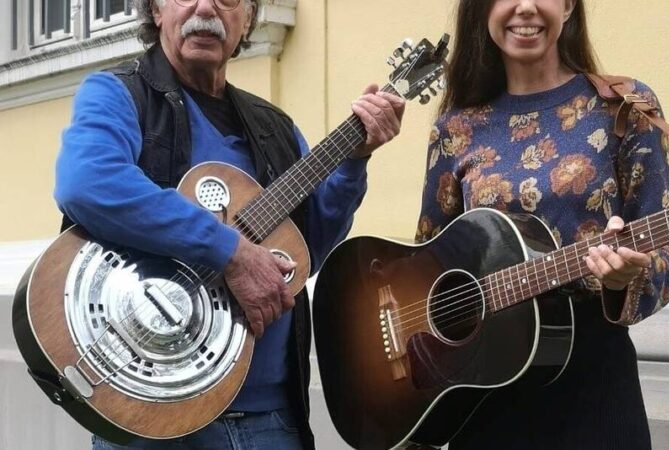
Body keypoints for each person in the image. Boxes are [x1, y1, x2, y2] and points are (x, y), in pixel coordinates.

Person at [53, 0, 405, 448]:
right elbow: (87, 181)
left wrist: (354, 161)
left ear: (249, 19)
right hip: (155, 414)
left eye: (228, 0)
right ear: (156, 10)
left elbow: (304, 251)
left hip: (270, 418)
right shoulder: (119, 93)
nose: (205, 8)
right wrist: (230, 251)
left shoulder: (274, 127)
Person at [414, 0, 669, 448]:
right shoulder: (455, 129)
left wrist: (625, 280)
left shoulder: (623, 106)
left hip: (594, 391)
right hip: (482, 397)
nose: (525, 7)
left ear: (568, 5)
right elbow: (425, 267)